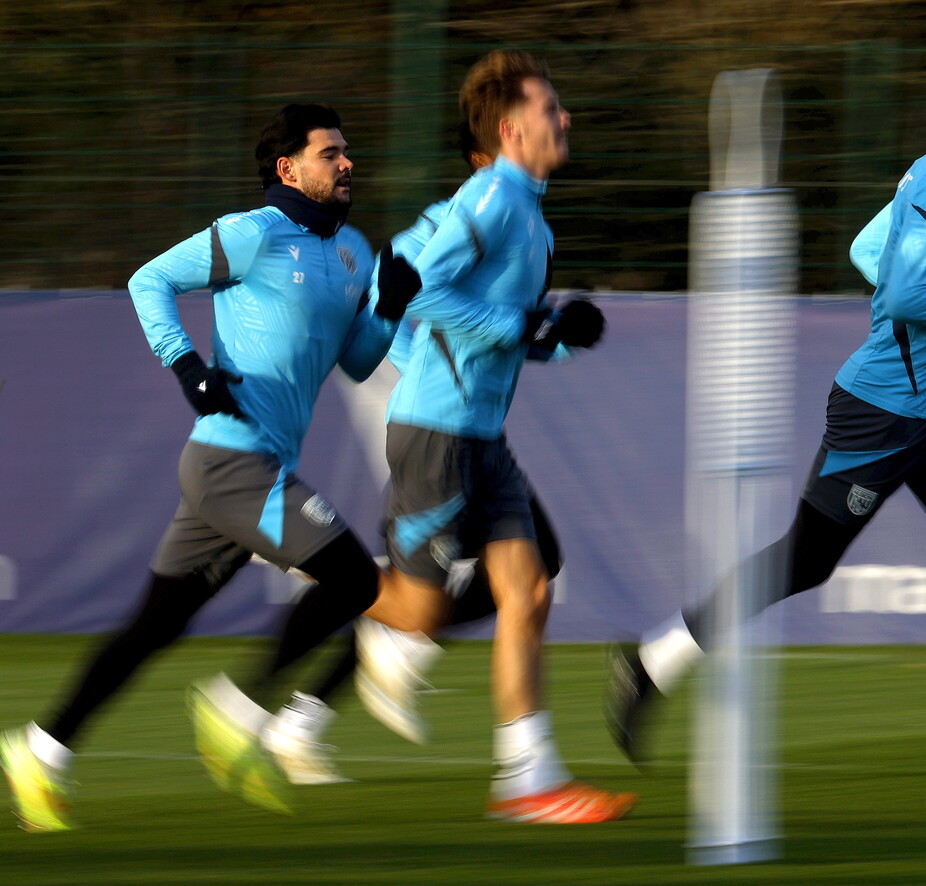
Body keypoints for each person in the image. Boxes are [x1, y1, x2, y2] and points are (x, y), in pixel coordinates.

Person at [606, 59, 926, 801]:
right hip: (882, 413)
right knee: (804, 563)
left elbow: (865, 251)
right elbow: (909, 293)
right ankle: (653, 661)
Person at [0, 103, 423, 831]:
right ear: (289, 168)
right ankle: (239, 709)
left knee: (151, 629)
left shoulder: (353, 250)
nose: (348, 163)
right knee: (355, 579)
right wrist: (188, 368)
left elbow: (355, 363)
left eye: (347, 152)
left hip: (240, 471)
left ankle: (40, 750)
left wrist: (386, 309)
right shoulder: (251, 234)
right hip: (234, 462)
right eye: (332, 154)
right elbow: (147, 281)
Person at [353, 49, 635, 824]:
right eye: (552, 109)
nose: (565, 118)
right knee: (417, 612)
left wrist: (559, 335)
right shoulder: (491, 199)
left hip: (483, 436)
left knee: (531, 588)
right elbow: (423, 293)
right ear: (512, 130)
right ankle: (305, 558)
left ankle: (526, 781)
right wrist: (526, 324)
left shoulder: (531, 215)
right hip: (437, 434)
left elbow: (503, 334)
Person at [248, 124, 567, 787]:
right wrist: (418, 362)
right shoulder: (468, 212)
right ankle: (328, 578)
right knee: (438, 591)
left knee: (513, 573)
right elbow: (398, 292)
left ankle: (307, 711)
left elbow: (503, 322)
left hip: (458, 411)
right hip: (415, 398)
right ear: (489, 153)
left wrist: (550, 335)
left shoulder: (511, 218)